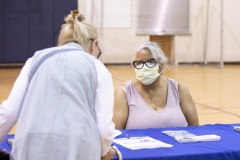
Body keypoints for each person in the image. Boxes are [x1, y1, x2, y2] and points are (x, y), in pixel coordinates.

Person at [0, 10, 116, 160]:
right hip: (78, 149)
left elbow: (9, 112)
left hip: (29, 149)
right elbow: (104, 129)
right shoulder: (98, 68)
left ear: (61, 42)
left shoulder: (35, 60)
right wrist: (104, 150)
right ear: (94, 44)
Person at [113, 41, 199, 130]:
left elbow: (196, 129)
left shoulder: (180, 90)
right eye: (139, 63)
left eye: (150, 61)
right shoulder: (123, 94)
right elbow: (116, 135)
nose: (144, 67)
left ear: (161, 65)